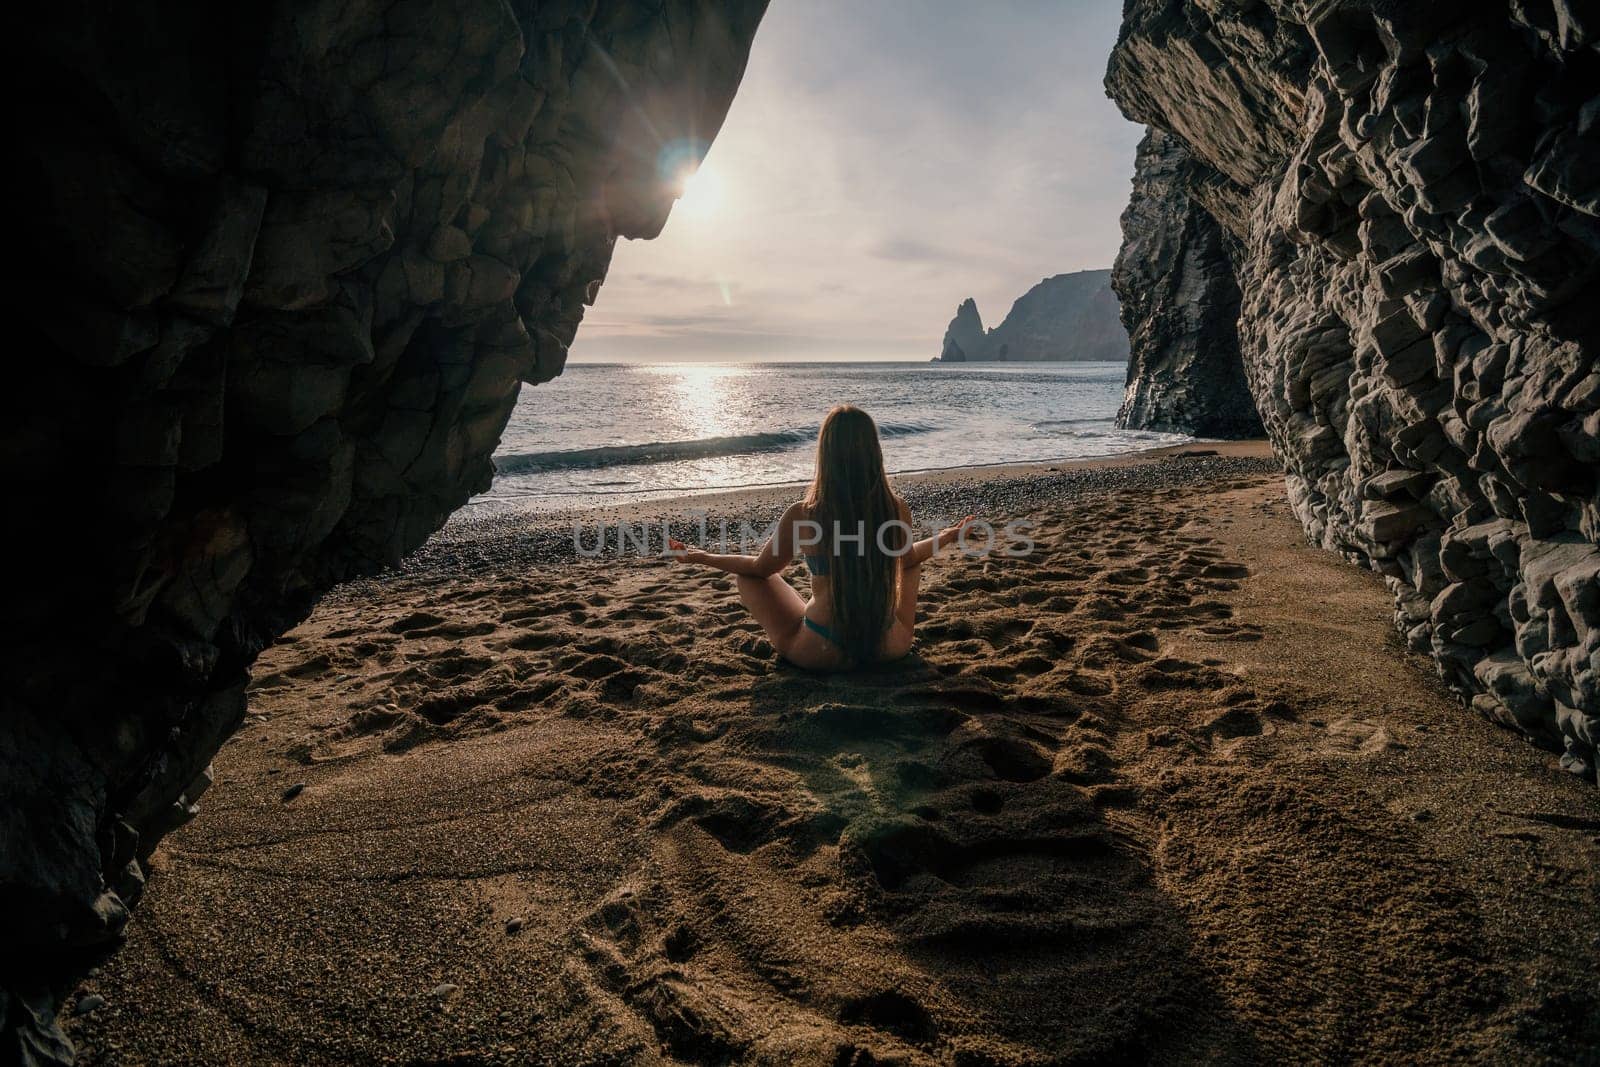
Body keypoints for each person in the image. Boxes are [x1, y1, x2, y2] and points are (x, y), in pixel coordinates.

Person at [666, 404, 975, 670]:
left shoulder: (804, 514)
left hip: (821, 650)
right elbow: (908, 559)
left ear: (825, 453)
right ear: (873, 452)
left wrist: (700, 556)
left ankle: (812, 625)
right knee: (909, 564)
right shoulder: (895, 509)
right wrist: (948, 536)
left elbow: (759, 570)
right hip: (888, 647)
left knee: (750, 578)